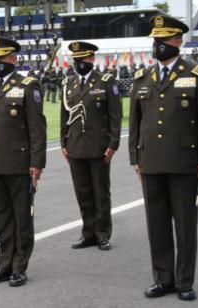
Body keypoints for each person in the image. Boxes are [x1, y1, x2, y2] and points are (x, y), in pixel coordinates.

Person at [129, 16, 198, 301]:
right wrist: (136, 157)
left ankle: (184, 281)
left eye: (163, 40)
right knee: (156, 225)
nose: (157, 45)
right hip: (151, 163)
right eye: (155, 40)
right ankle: (163, 279)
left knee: (184, 225)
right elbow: (136, 123)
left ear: (178, 41)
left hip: (184, 163)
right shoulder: (142, 77)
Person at [0, 36, 47, 287]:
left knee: (21, 218)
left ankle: (19, 267)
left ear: (13, 58)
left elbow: (38, 129)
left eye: (1, 58)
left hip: (19, 163)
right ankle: (3, 266)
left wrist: (37, 164)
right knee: (2, 218)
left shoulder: (28, 85)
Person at [60, 41, 122, 252]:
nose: (80, 63)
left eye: (84, 59)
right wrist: (63, 142)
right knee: (83, 192)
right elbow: (64, 116)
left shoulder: (105, 81)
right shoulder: (68, 83)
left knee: (100, 192)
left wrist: (113, 143)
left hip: (99, 146)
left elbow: (115, 115)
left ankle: (103, 234)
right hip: (75, 145)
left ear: (92, 59)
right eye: (76, 60)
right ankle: (88, 233)